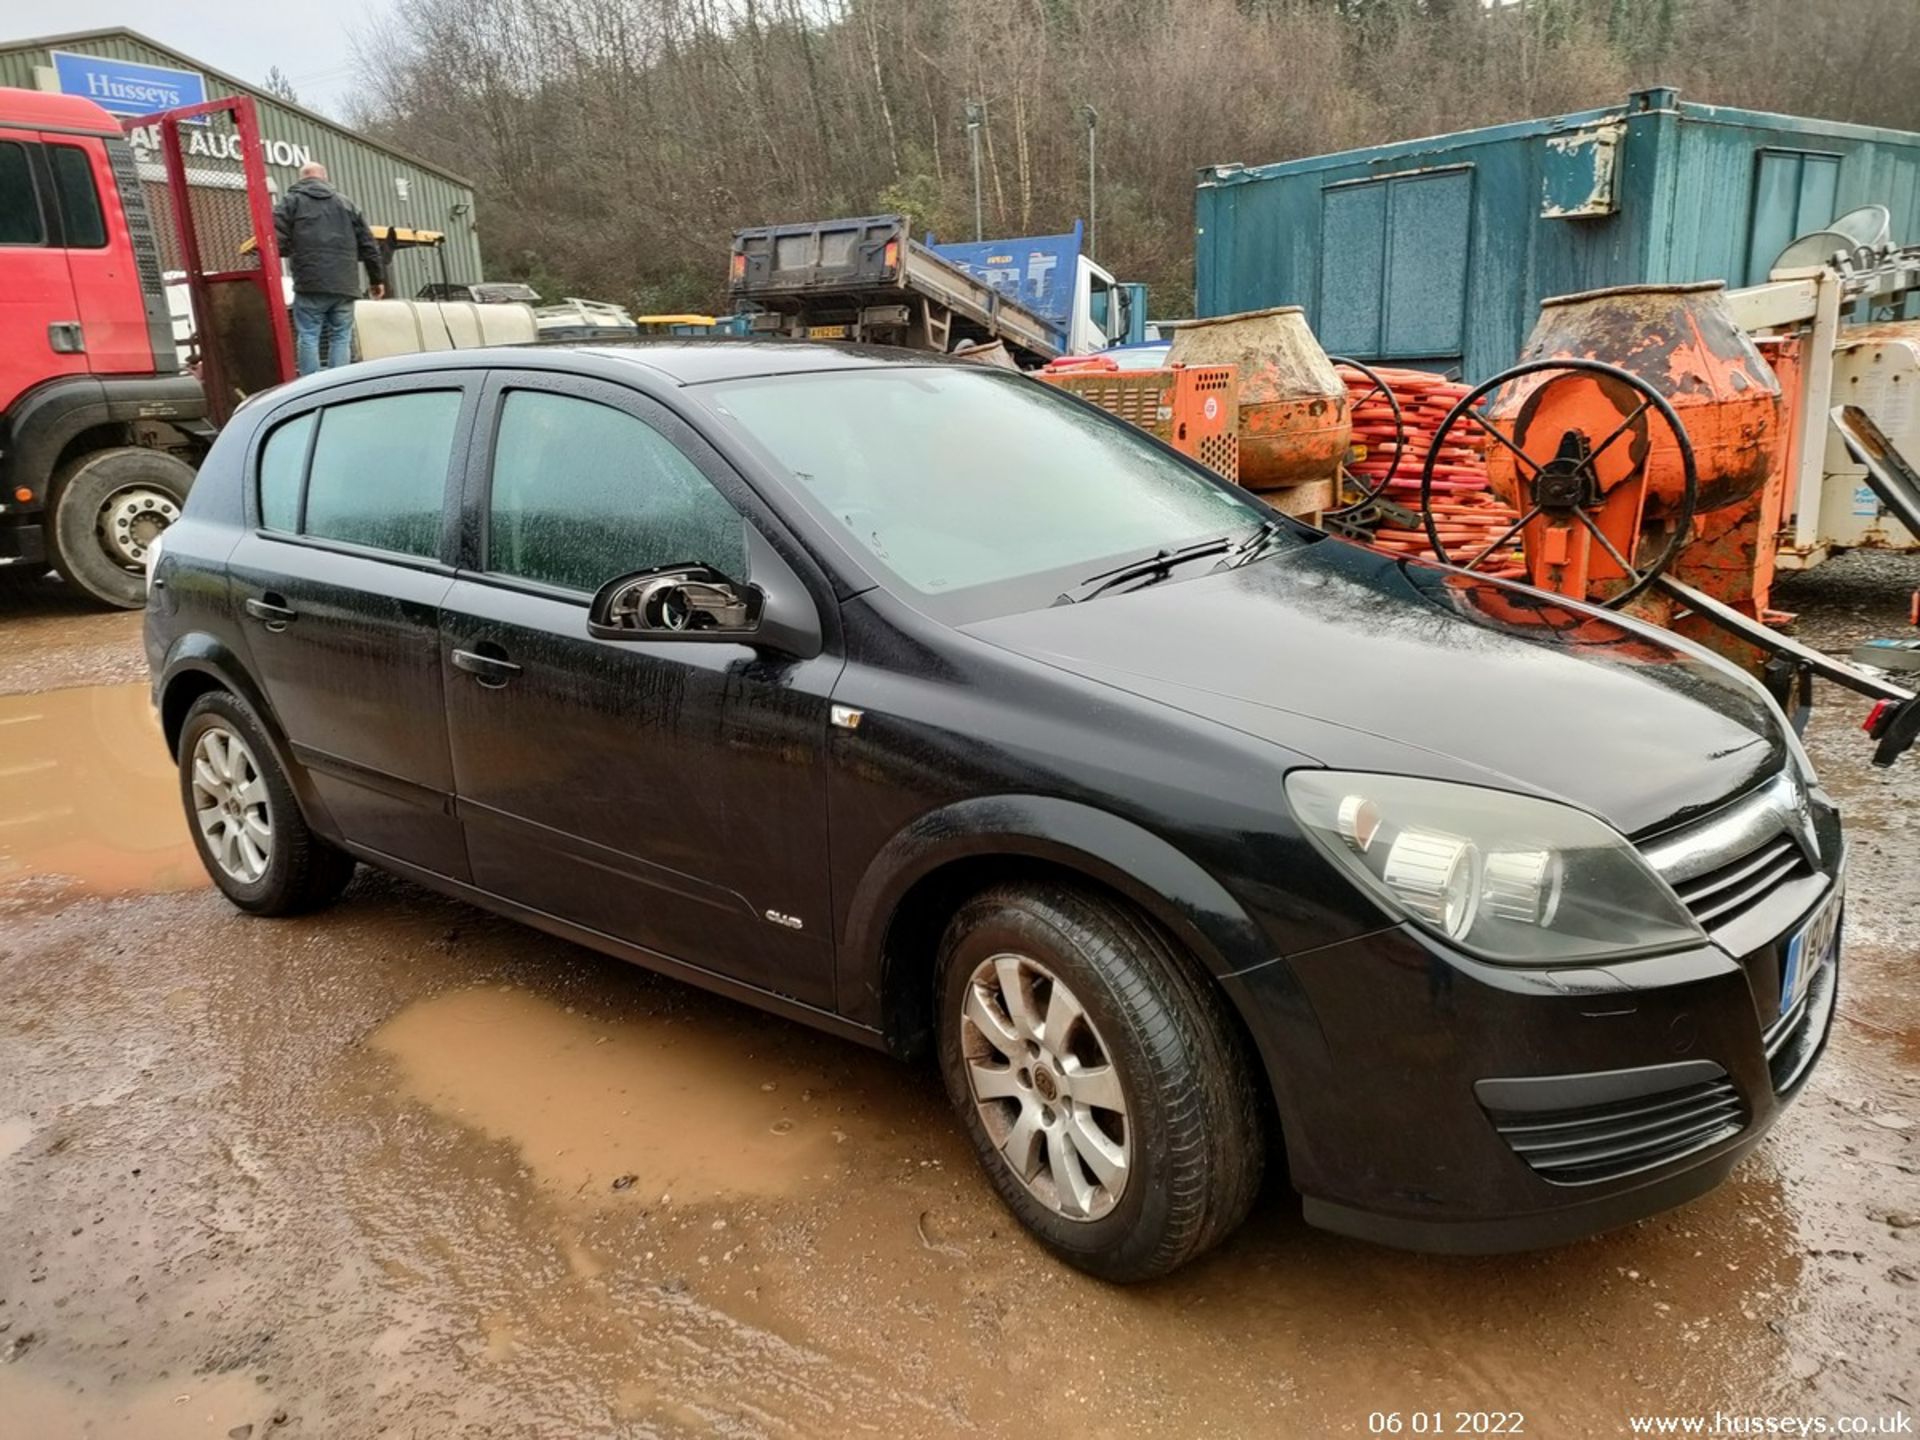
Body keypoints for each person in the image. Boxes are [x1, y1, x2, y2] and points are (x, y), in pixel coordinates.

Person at [273, 163, 387, 376]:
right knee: (341, 335)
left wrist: (288, 253)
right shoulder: (346, 204)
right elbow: (369, 245)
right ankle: (337, 384)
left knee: (308, 334)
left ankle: (308, 385)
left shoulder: (291, 202)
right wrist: (376, 280)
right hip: (345, 283)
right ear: (325, 178)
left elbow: (276, 239)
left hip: (310, 282)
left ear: (301, 179)